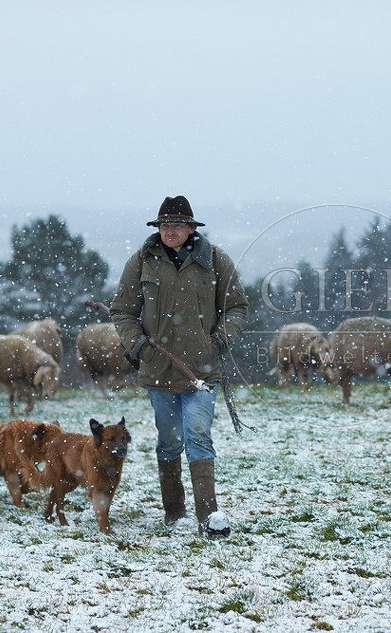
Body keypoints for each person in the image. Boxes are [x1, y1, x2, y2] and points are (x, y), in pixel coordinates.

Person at [110, 195, 248, 536]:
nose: (171, 231)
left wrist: (218, 341)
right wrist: (137, 344)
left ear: (191, 228)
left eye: (177, 225)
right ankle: (175, 511)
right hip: (158, 370)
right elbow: (122, 311)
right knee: (169, 441)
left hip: (202, 370)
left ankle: (209, 516)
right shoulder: (142, 261)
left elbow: (237, 307)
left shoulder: (215, 260)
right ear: (159, 229)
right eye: (165, 225)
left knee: (198, 436)